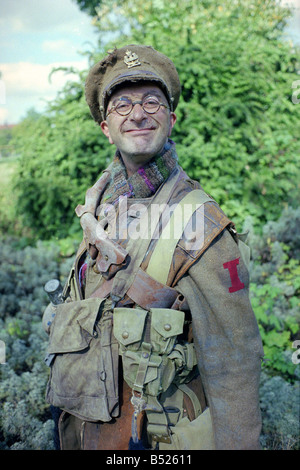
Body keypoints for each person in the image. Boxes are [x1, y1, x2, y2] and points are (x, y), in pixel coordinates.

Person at [43, 45, 264, 450]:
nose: (138, 114)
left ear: (171, 119)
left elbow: (235, 362)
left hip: (160, 439)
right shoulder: (101, 209)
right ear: (106, 128)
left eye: (151, 102)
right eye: (122, 105)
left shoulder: (201, 224)